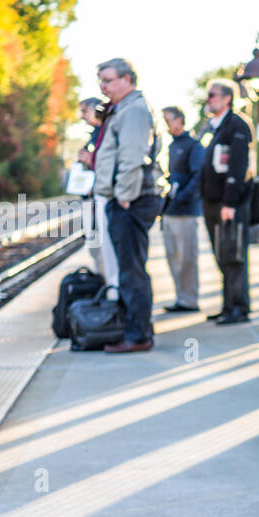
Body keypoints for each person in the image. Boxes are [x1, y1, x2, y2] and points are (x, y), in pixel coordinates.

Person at [93, 57, 165, 353]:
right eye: (101, 81)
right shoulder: (124, 108)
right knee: (130, 267)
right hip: (128, 198)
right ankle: (135, 329)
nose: (103, 86)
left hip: (131, 200)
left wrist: (123, 196)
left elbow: (132, 156)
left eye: (108, 80)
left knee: (131, 269)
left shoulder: (134, 110)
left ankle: (137, 335)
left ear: (127, 80)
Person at [199, 79, 254, 325]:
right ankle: (228, 304)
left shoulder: (237, 125)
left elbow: (237, 166)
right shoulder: (214, 126)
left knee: (233, 255)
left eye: (212, 95)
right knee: (223, 255)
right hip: (213, 201)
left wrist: (230, 203)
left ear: (226, 98)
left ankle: (238, 308)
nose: (208, 99)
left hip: (228, 203)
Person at [160, 106, 204, 312]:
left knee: (187, 258)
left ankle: (189, 298)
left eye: (168, 120)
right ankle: (181, 297)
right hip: (170, 211)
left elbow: (198, 176)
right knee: (173, 257)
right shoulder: (171, 146)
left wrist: (183, 196)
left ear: (179, 120)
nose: (166, 124)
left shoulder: (193, 146)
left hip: (186, 212)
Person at [76, 98, 117, 284]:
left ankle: (109, 289)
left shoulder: (107, 133)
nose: (82, 116)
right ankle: (103, 287)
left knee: (106, 251)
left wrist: (90, 160)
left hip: (104, 198)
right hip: (91, 200)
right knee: (96, 249)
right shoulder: (94, 135)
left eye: (85, 111)